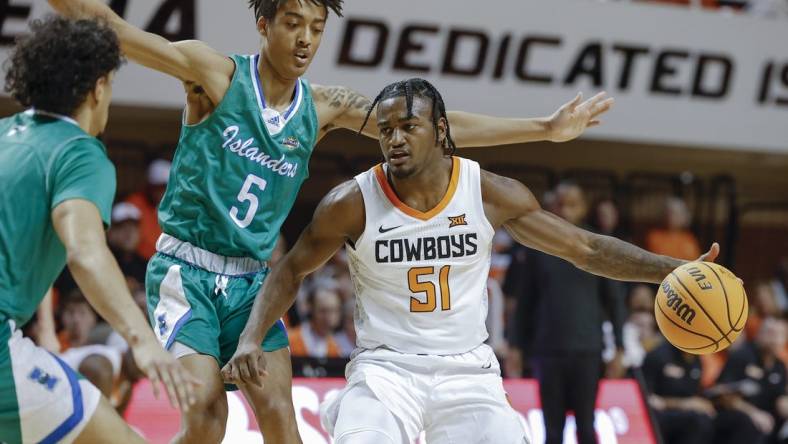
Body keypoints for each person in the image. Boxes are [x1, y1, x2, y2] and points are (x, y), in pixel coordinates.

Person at [48, 1, 614, 442]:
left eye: (316, 28)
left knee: (280, 421)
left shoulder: (325, 106)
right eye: (293, 23)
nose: (305, 39)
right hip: (185, 272)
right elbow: (115, 28)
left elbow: (435, 122)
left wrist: (544, 127)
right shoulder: (214, 75)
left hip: (251, 282)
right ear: (264, 25)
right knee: (206, 416)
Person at [222, 78, 722, 444]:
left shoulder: (486, 193)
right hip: (384, 371)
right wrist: (250, 336)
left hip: (469, 373)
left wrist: (667, 269)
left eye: (408, 127)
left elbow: (585, 249)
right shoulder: (351, 202)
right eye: (385, 129)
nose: (394, 138)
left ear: (441, 131)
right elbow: (289, 271)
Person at [0, 16, 195, 444]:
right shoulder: (79, 153)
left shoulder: (3, 136)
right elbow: (85, 251)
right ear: (99, 87)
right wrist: (142, 339)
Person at [506, 181, 629, 444]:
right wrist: (515, 345)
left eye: (572, 204)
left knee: (586, 426)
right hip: (547, 351)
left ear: (583, 208)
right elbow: (525, 302)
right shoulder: (536, 247)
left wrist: (620, 347)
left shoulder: (596, 245)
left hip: (587, 349)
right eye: (560, 204)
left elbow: (614, 300)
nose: (565, 210)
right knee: (553, 430)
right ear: (551, 206)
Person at [711, 317, 788, 444]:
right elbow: (722, 394)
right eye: (771, 333)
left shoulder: (779, 366)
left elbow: (780, 398)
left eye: (780, 335)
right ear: (759, 334)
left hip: (766, 417)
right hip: (734, 413)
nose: (775, 339)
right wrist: (753, 413)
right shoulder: (742, 355)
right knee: (748, 423)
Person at [642, 339, 715, 444]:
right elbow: (647, 398)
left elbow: (693, 393)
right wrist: (683, 404)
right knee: (697, 421)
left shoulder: (697, 359)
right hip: (659, 414)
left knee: (737, 420)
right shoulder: (658, 355)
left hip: (688, 414)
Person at [125, 159, 171, 260]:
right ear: (150, 186)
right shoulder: (134, 204)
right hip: (139, 263)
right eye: (159, 187)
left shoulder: (170, 206)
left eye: (166, 187)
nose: (163, 191)